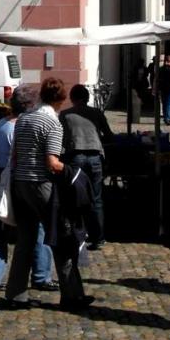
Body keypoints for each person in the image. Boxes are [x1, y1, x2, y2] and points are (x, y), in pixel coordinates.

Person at [6, 77, 89, 311]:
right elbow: (52, 163)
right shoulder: (52, 122)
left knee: (25, 241)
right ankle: (72, 296)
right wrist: (73, 171)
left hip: (19, 183)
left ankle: (16, 294)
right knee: (62, 239)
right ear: (61, 99)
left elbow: (16, 155)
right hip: (41, 185)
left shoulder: (24, 118)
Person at [0, 84, 56, 292]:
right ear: (31, 104)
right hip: (17, 177)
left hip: (0, 175)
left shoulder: (1, 123)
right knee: (36, 226)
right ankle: (41, 275)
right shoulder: (20, 126)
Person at [59, 83, 113, 249]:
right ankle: (99, 237)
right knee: (96, 199)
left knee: (76, 198)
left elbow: (61, 139)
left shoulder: (65, 115)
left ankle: (78, 234)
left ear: (72, 98)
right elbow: (109, 135)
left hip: (76, 157)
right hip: (95, 156)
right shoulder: (96, 113)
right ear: (88, 98)